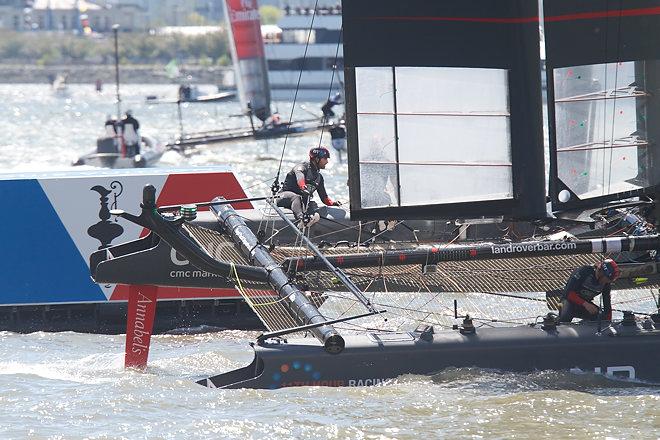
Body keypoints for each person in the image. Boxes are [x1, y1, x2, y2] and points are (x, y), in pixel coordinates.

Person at [277, 146, 342, 228]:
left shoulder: (319, 178)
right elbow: (300, 177)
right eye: (325, 158)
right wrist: (303, 187)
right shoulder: (302, 167)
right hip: (284, 197)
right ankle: (301, 219)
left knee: (312, 204)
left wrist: (333, 203)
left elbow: (324, 198)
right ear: (317, 159)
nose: (327, 161)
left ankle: (310, 220)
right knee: (296, 197)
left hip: (301, 202)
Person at [558, 259, 620, 323]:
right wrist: (585, 304)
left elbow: (607, 302)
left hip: (584, 305)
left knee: (601, 317)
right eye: (607, 279)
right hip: (568, 301)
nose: (607, 282)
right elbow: (568, 293)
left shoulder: (606, 283)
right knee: (566, 316)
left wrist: (608, 321)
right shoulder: (584, 271)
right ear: (601, 273)